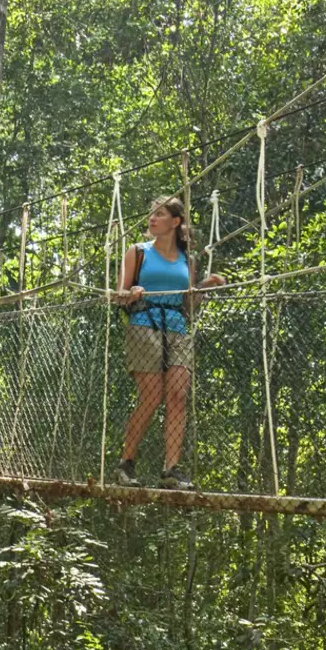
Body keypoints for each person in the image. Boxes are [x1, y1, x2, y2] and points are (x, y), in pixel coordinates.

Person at [114, 195, 223, 488]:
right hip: (143, 324)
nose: (151, 219)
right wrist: (131, 292)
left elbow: (188, 304)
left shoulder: (189, 261)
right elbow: (117, 296)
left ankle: (171, 469)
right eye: (151, 214)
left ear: (175, 222)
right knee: (152, 395)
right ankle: (126, 462)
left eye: (159, 214)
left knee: (177, 395)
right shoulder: (137, 252)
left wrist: (204, 287)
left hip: (177, 326)